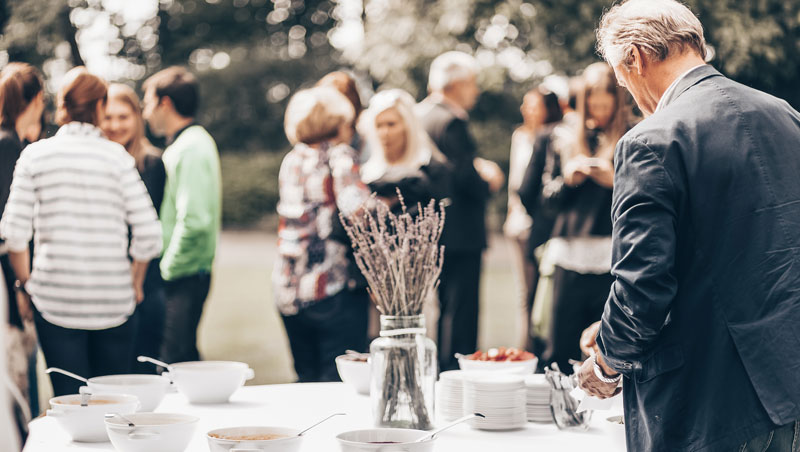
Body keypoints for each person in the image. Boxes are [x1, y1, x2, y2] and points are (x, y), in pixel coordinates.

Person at [577, 1, 800, 451]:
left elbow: (643, 288)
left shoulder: (650, 140)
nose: (633, 100)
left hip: (706, 400)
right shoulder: (786, 116)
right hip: (787, 381)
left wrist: (605, 362)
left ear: (635, 58)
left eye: (623, 81)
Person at [0, 67, 162, 396]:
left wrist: (26, 284)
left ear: (61, 106)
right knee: (115, 406)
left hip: (54, 299)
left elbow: (14, 233)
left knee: (70, 405)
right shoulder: (117, 158)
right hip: (114, 299)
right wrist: (135, 280)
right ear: (100, 107)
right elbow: (149, 233)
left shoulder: (35, 155)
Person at [273, 86, 372, 382]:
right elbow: (357, 210)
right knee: (338, 381)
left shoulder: (291, 159)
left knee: (306, 378)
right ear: (338, 121)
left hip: (288, 287)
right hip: (331, 287)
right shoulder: (340, 156)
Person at [538, 62, 629, 373]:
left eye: (606, 103)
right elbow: (546, 199)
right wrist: (570, 179)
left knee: (604, 343)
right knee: (561, 343)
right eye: (593, 102)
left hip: (612, 253)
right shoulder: (563, 136)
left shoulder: (631, 133)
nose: (599, 110)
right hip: (570, 252)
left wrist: (615, 180)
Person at [417, 51, 504, 371]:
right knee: (461, 312)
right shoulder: (452, 120)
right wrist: (489, 182)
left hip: (430, 228)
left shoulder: (419, 115)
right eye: (472, 84)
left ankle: (441, 372)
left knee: (440, 309)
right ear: (456, 84)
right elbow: (463, 176)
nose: (476, 91)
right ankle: (457, 375)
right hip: (461, 232)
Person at [142, 67, 221, 365]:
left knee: (173, 367)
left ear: (165, 103)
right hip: (180, 275)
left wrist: (165, 272)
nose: (146, 113)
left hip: (182, 276)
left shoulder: (192, 147)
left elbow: (195, 221)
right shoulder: (185, 144)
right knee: (181, 362)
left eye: (148, 103)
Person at [101, 83, 167, 373]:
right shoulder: (96, 163)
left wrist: (135, 280)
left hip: (143, 283)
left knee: (139, 372)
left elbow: (144, 227)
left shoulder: (150, 162)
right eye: (108, 117)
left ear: (137, 118)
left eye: (123, 117)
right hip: (105, 285)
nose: (115, 125)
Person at [506, 86, 563, 353]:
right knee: (525, 293)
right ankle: (526, 346)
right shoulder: (520, 136)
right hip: (519, 221)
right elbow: (515, 182)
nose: (526, 109)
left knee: (543, 289)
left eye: (533, 104)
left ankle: (537, 347)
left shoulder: (557, 136)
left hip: (542, 223)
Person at [359, 89, 450, 213]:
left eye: (391, 124)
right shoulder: (366, 173)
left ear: (408, 125)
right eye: (379, 125)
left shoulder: (432, 170)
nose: (384, 132)